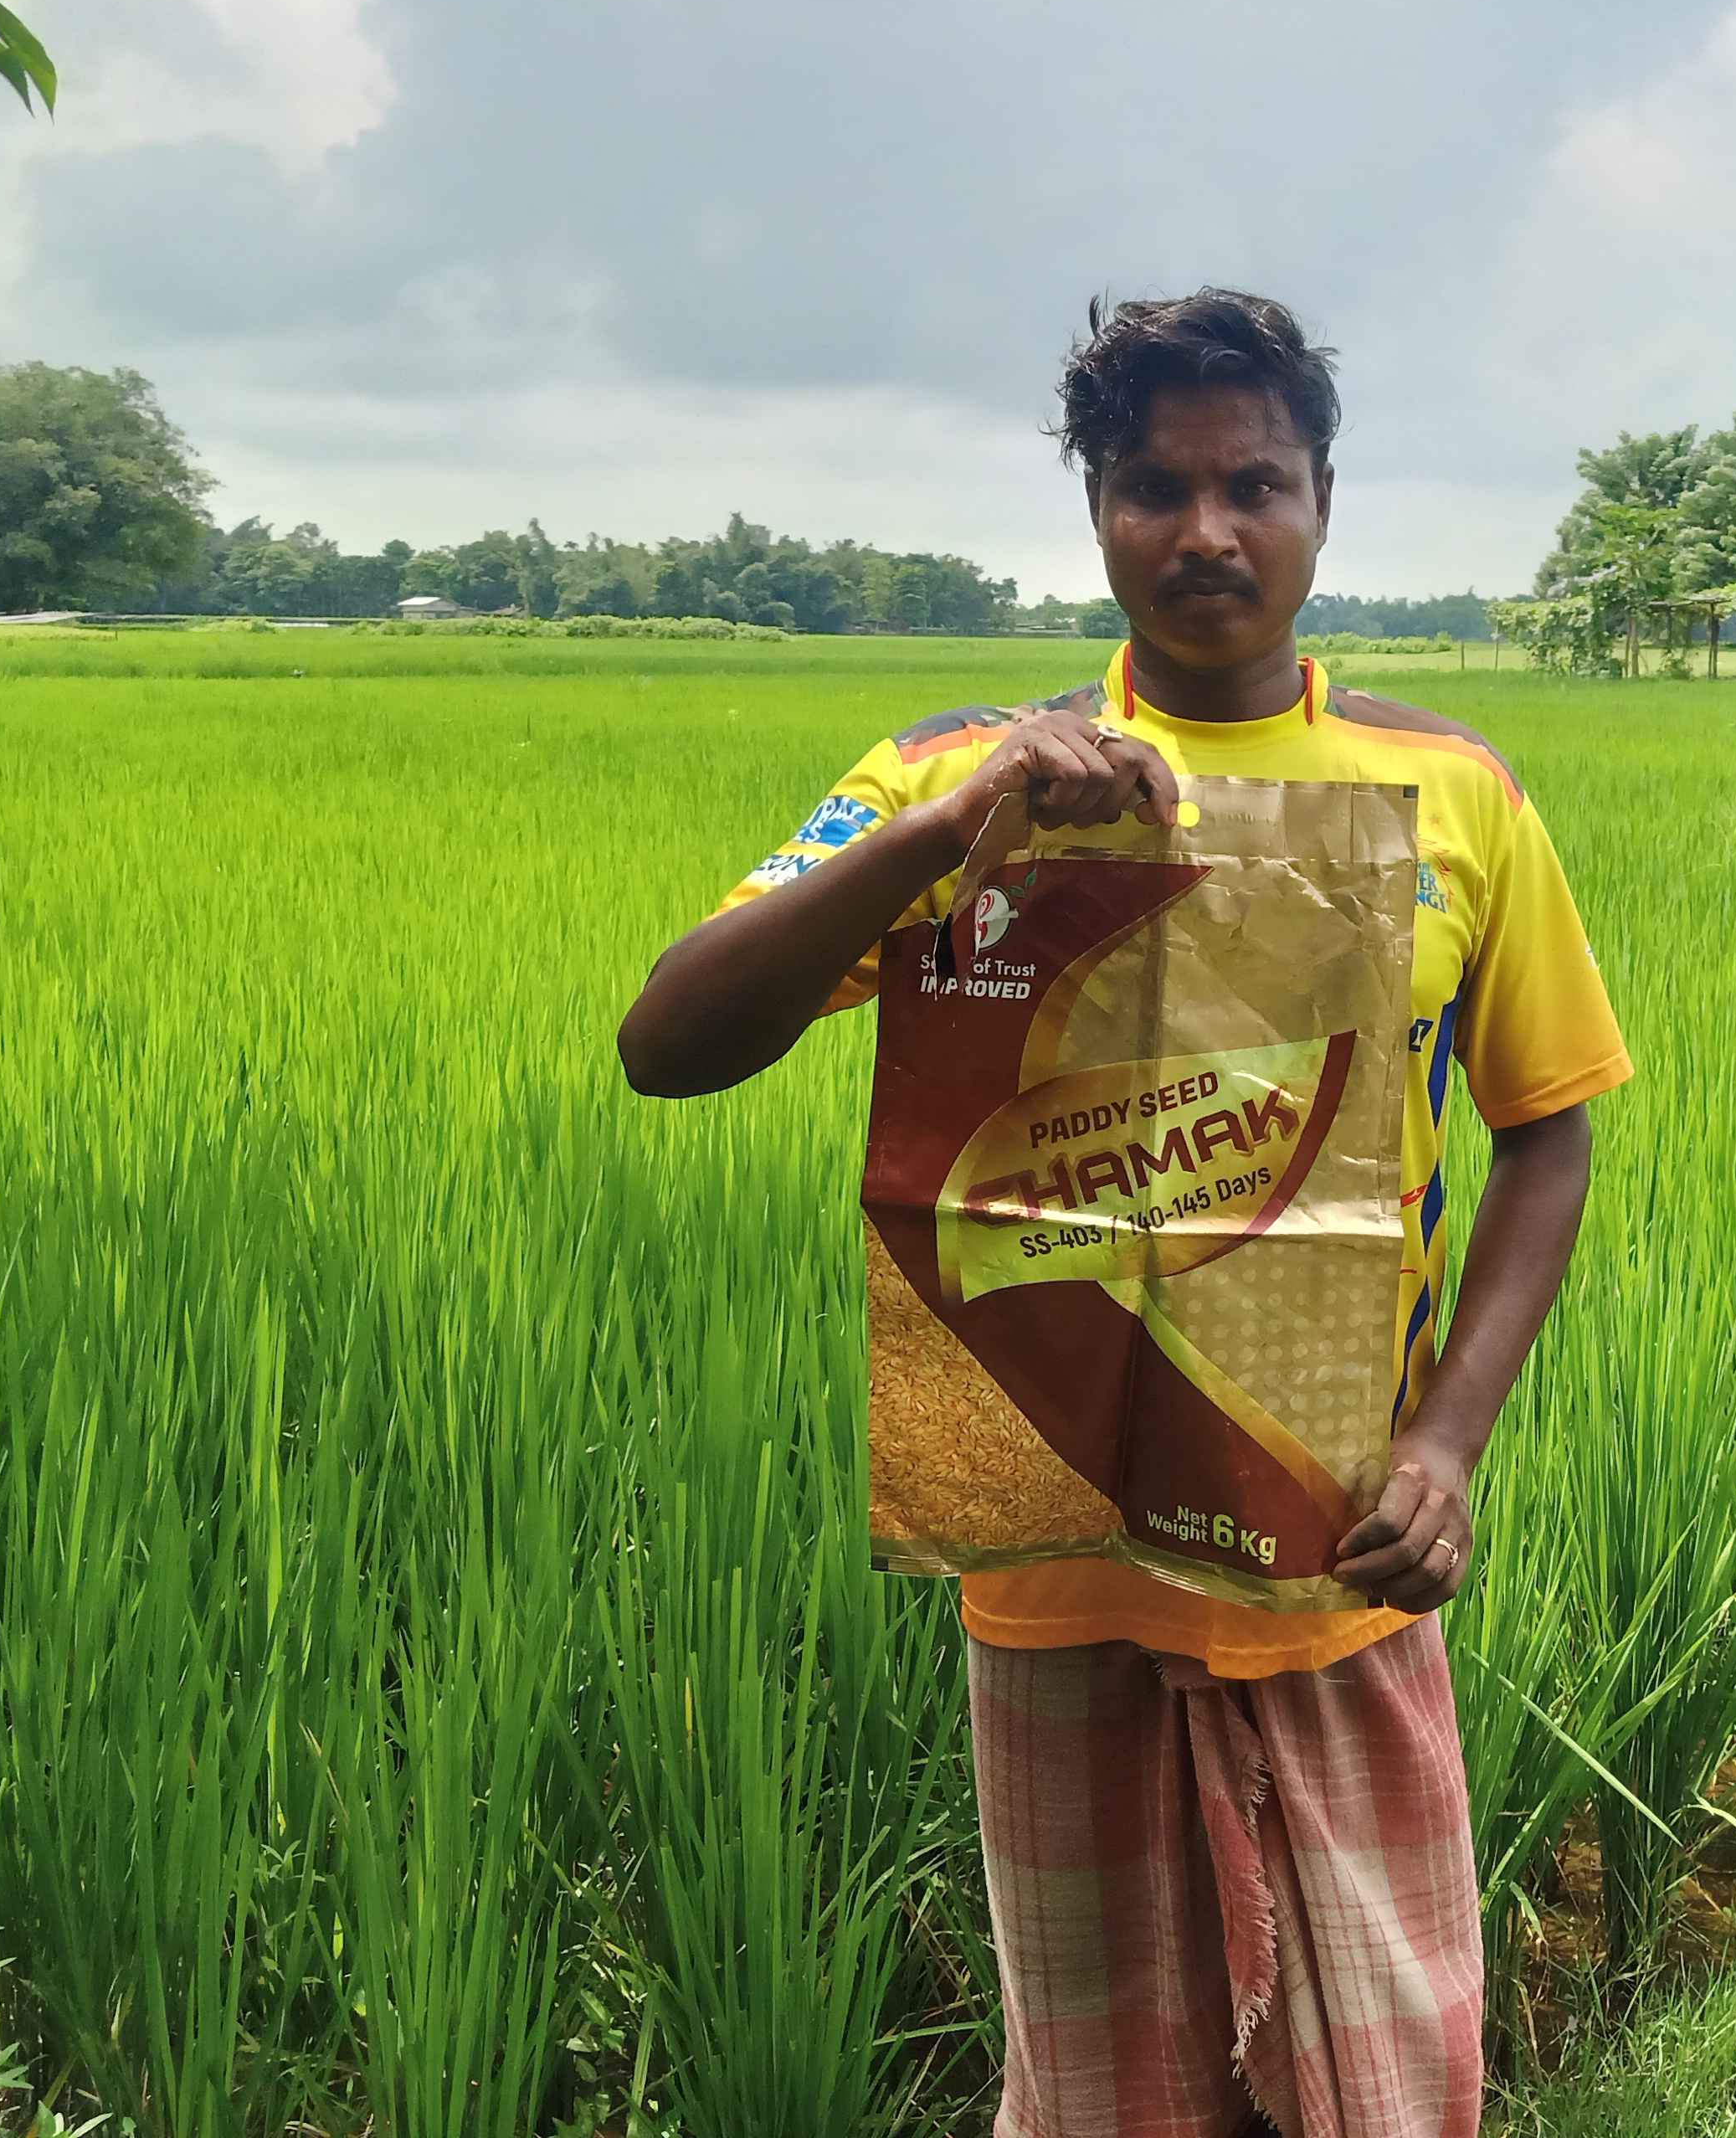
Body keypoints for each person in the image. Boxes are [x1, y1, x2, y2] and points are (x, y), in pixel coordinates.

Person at [615, 288, 1631, 2138]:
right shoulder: (950, 775)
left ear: (1323, 503)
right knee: (1103, 2099)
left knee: (1391, 2088)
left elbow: (1545, 1134)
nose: (1206, 531)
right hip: (1050, 1566)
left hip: (1331, 1558)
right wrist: (939, 845)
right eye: (1155, 486)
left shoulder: (1453, 791)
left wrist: (1449, 1444)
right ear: (1095, 509)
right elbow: (667, 1043)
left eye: (1255, 484)